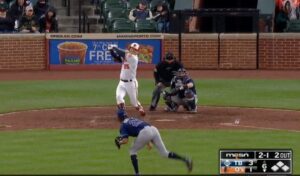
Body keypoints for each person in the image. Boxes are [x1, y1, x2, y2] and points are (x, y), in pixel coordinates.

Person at [114, 109, 193, 175]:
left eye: (117, 116)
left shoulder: (123, 126)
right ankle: (186, 160)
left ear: (119, 117)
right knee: (164, 153)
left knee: (132, 151)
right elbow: (140, 129)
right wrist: (148, 142)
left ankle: (137, 174)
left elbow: (125, 140)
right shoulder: (131, 119)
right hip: (153, 129)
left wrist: (119, 142)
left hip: (145, 132)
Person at [108, 43, 146, 116]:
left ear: (137, 51)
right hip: (121, 82)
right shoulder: (127, 56)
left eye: (135, 49)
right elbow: (117, 57)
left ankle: (139, 107)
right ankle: (122, 112)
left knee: (134, 103)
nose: (132, 50)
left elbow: (121, 52)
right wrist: (111, 51)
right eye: (131, 48)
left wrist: (114, 48)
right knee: (119, 96)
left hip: (131, 83)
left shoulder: (134, 58)